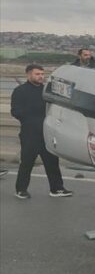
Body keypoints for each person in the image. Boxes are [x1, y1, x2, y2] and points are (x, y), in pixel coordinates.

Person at [11, 64, 72, 199]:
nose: (41, 76)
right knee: (27, 163)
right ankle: (20, 190)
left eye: (42, 74)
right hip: (30, 134)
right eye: (37, 74)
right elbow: (15, 112)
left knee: (52, 162)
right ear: (29, 75)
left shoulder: (47, 91)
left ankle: (56, 189)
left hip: (47, 133)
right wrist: (32, 115)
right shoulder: (20, 91)